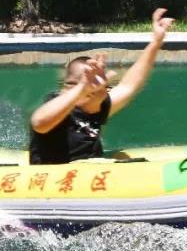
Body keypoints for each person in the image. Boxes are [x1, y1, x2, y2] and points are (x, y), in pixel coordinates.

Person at [28, 8, 174, 165]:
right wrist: (82, 89)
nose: (107, 90)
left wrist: (156, 42)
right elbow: (39, 123)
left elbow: (128, 86)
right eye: (101, 87)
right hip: (56, 176)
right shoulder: (58, 106)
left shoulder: (95, 107)